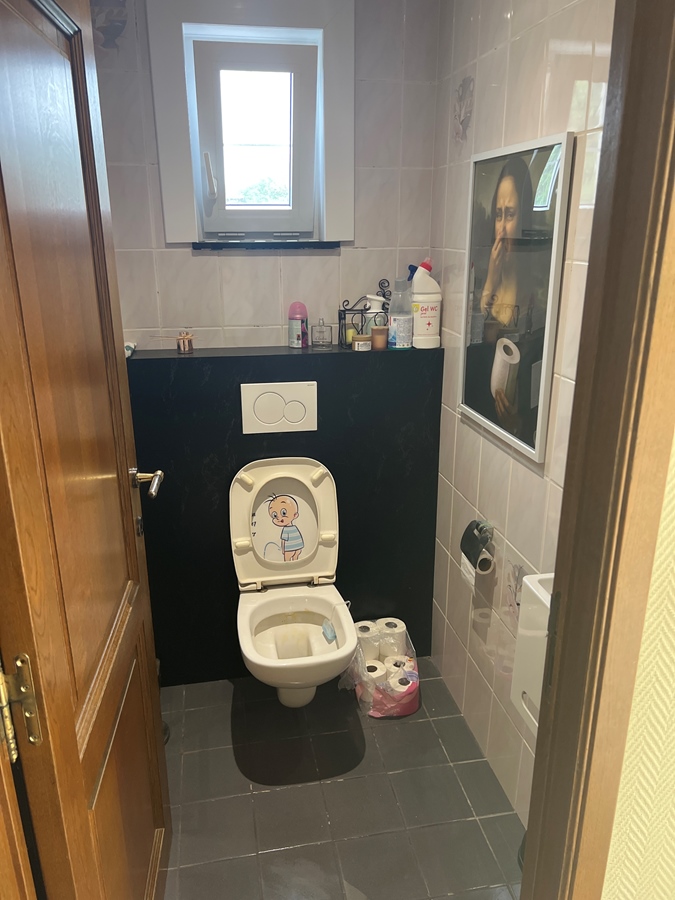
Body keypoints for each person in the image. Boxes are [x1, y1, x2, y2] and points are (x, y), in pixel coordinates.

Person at [465, 156, 546, 446]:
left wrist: (517, 424)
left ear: (524, 219)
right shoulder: (483, 285)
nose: (501, 228)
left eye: (510, 215)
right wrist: (490, 280)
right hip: (474, 423)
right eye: (498, 215)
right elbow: (469, 353)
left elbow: (535, 393)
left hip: (508, 435)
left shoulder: (535, 300)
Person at [267, 494, 304, 561]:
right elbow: (299, 538)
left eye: (283, 513)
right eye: (274, 515)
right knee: (295, 560)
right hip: (298, 547)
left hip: (289, 548)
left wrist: (283, 550)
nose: (278, 518)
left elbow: (283, 541)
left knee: (287, 561)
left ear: (295, 515)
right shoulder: (295, 528)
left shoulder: (286, 530)